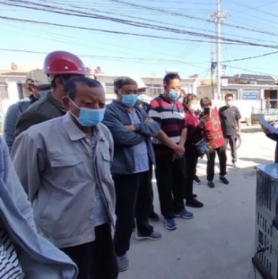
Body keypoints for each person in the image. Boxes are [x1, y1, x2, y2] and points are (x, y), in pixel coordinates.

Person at [12, 77, 118, 279]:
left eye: (101, 104)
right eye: (88, 104)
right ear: (68, 102)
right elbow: (18, 193)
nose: (96, 109)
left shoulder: (104, 133)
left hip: (103, 228)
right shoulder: (37, 137)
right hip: (63, 236)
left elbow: (105, 176)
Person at [103, 77, 164, 272]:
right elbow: (121, 137)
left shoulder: (139, 109)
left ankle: (144, 230)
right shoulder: (110, 112)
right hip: (124, 170)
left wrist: (137, 127)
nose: (132, 95)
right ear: (117, 91)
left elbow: (155, 128)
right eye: (127, 91)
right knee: (125, 212)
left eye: (134, 91)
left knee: (145, 203)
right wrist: (145, 130)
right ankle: (118, 251)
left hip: (144, 165)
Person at [0, 136, 78, 279]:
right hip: (59, 227)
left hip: (17, 267)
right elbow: (26, 178)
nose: (98, 112)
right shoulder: (35, 132)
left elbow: (20, 210)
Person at [149, 73, 193, 231]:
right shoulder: (155, 104)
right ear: (165, 86)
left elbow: (184, 127)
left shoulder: (180, 105)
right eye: (173, 87)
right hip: (163, 153)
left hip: (179, 151)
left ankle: (179, 208)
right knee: (165, 185)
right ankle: (168, 214)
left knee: (180, 181)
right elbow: (156, 129)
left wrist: (180, 146)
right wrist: (174, 147)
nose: (177, 90)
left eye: (179, 87)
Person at [15, 51, 87, 136]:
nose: (83, 85)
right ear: (59, 82)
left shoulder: (79, 108)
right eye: (78, 81)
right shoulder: (35, 115)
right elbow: (25, 147)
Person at [3, 69, 51, 152]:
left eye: (49, 87)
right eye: (41, 88)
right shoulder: (17, 110)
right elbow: (10, 144)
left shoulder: (60, 107)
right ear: (30, 88)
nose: (46, 91)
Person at [182, 94, 205, 207]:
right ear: (187, 103)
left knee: (190, 172)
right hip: (188, 148)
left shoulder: (193, 115)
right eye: (193, 102)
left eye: (196, 102)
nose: (195, 104)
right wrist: (200, 126)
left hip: (194, 147)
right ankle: (189, 199)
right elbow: (189, 135)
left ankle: (187, 194)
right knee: (189, 173)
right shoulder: (186, 116)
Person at [200, 97, 228, 188]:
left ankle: (222, 175)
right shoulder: (201, 116)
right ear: (201, 107)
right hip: (209, 143)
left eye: (208, 105)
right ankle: (210, 179)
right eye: (204, 106)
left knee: (223, 159)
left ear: (210, 105)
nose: (207, 107)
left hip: (220, 141)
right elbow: (199, 129)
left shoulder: (216, 112)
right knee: (211, 162)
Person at [219, 94, 241, 167]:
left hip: (233, 132)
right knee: (223, 148)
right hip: (223, 132)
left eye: (230, 100)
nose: (228, 101)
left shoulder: (235, 109)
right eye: (227, 100)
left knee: (233, 148)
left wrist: (239, 131)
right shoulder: (221, 109)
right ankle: (223, 161)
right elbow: (218, 120)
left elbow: (238, 121)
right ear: (225, 100)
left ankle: (234, 161)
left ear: (232, 100)